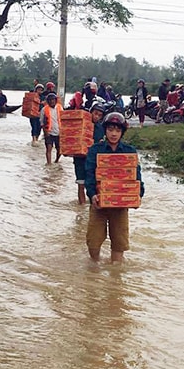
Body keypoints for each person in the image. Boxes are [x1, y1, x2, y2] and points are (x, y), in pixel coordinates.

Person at [85, 112, 144, 263]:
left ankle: (115, 275)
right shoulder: (95, 150)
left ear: (122, 132)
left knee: (119, 243)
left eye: (117, 130)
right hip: (99, 202)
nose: (113, 134)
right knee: (93, 241)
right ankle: (95, 272)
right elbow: (89, 175)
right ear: (105, 130)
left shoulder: (129, 151)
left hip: (120, 205)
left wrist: (138, 196)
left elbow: (136, 176)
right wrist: (92, 196)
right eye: (110, 129)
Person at [73, 102, 105, 205]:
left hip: (93, 161)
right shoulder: (81, 124)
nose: (97, 117)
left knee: (94, 185)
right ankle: (82, 209)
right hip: (80, 159)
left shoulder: (100, 128)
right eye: (95, 113)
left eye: (100, 115)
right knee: (81, 184)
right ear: (90, 112)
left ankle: (93, 205)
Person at [40, 92, 63, 164]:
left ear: (55, 100)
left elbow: (64, 119)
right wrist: (45, 132)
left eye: (53, 100)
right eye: (50, 100)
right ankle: (49, 164)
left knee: (59, 150)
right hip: (49, 132)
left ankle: (56, 160)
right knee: (48, 149)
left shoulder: (60, 107)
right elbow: (42, 122)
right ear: (47, 101)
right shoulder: (44, 109)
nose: (51, 101)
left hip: (59, 132)